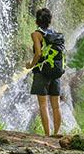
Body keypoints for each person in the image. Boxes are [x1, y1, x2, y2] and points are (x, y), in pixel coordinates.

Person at [25, 8, 62, 137]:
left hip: (41, 72)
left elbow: (38, 52)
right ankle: (57, 133)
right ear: (49, 21)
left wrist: (31, 65)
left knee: (43, 105)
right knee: (56, 106)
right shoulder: (54, 34)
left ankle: (47, 134)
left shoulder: (36, 34)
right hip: (55, 71)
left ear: (36, 21)